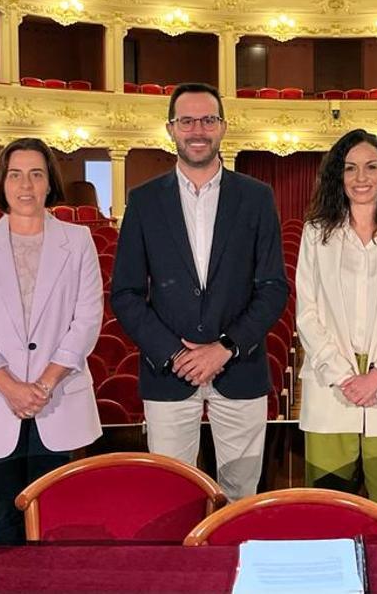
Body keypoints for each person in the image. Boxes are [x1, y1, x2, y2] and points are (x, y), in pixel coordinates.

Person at [110, 82, 288, 501]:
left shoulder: (256, 197)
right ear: (170, 129)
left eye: (208, 120)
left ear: (223, 127)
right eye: (187, 121)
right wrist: (176, 355)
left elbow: (273, 288)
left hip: (239, 367)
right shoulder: (144, 201)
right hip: (168, 372)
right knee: (171, 495)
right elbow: (126, 293)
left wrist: (225, 348)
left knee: (240, 494)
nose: (198, 130)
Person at [0, 138, 103, 545]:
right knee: (3, 516)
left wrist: (43, 385)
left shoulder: (78, 240)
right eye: (15, 175)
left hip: (57, 398)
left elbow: (87, 320)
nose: (25, 185)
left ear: (49, 182)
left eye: (36, 174)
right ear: (1, 183)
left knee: (54, 517)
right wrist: (10, 386)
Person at [296, 129, 377, 521]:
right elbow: (307, 314)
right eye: (350, 168)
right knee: (327, 518)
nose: (361, 177)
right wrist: (345, 377)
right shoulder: (315, 235)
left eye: (371, 167)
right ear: (337, 175)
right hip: (331, 388)